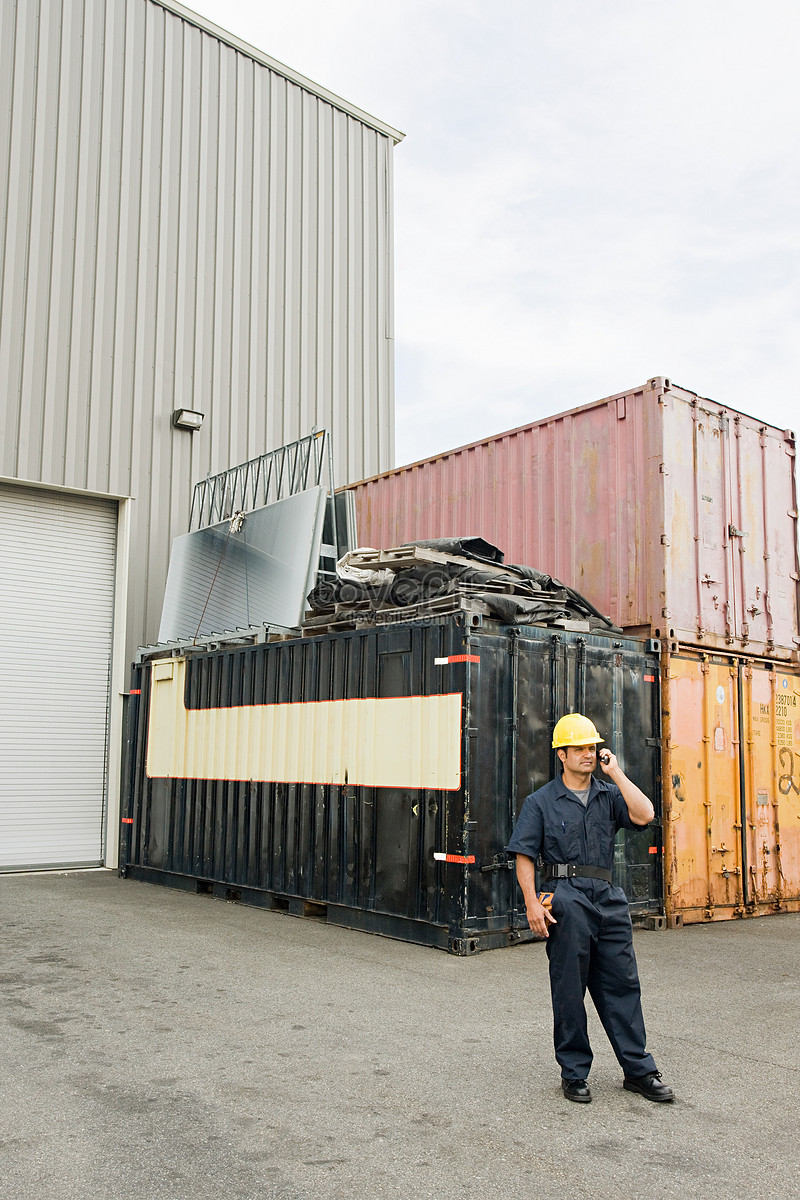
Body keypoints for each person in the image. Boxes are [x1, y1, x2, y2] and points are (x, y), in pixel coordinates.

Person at [507, 712, 674, 1105]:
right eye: (579, 748)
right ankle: (574, 1073)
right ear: (561, 754)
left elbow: (645, 814)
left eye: (592, 747)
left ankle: (639, 1070)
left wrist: (615, 773)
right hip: (564, 896)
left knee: (623, 984)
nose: (588, 754)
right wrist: (532, 901)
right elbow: (524, 856)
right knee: (569, 986)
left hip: (607, 897)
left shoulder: (608, 794)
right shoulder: (541, 801)